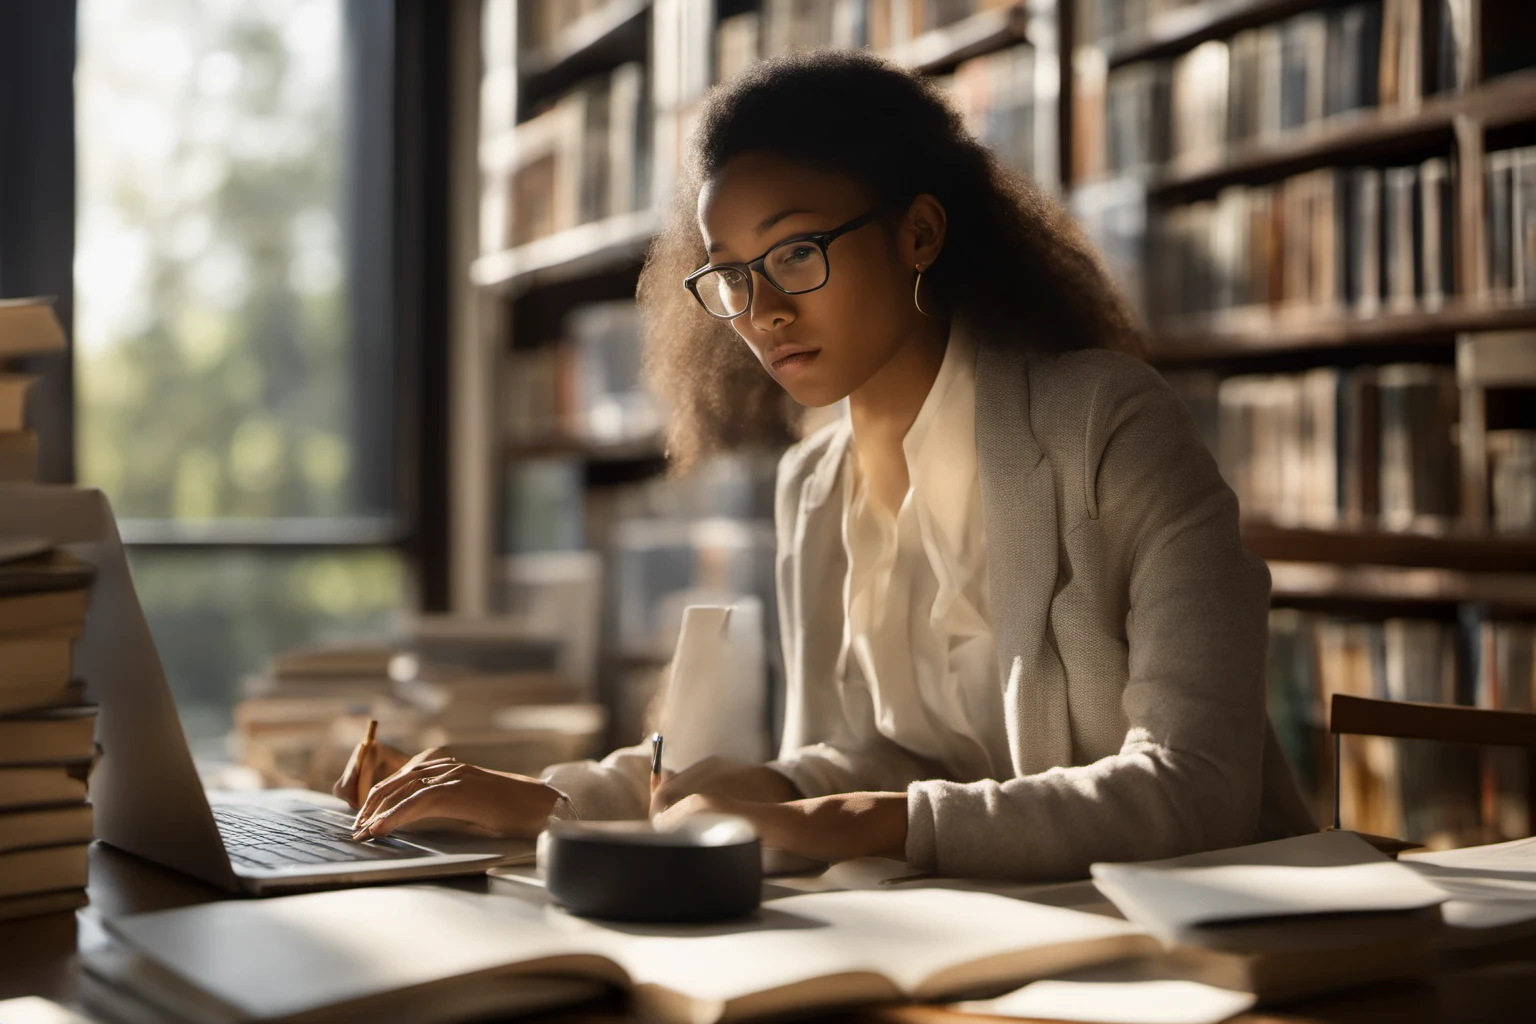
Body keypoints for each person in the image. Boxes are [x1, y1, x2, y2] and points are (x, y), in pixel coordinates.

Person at [336, 49, 1317, 879]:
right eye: (730, 271)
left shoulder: (1107, 421)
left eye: (797, 252)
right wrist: (556, 800)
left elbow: (1199, 785)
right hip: (958, 954)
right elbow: (839, 764)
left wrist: (859, 821)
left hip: (1211, 958)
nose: (761, 308)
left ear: (919, 232)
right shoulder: (814, 484)